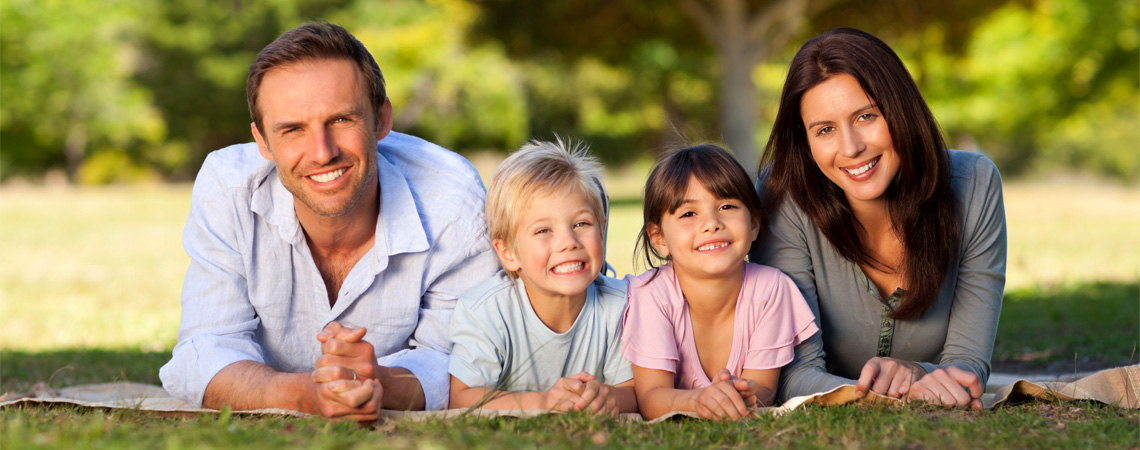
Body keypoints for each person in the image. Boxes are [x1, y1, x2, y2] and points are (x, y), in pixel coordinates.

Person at [159, 22, 499, 421]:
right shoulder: (227, 186)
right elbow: (205, 348)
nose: (322, 153)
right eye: (292, 129)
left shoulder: (453, 199)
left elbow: (464, 360)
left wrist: (383, 384)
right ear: (263, 142)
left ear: (382, 120)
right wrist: (304, 394)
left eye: (340, 120)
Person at [752, 28, 1007, 409]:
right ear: (805, 142)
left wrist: (919, 373)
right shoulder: (782, 195)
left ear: (900, 108)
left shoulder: (975, 184)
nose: (851, 147)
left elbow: (967, 364)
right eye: (825, 130)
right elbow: (790, 372)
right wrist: (880, 395)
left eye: (866, 116)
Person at [621, 144, 819, 420]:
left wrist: (740, 393)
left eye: (726, 206)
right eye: (689, 214)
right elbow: (652, 399)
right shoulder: (650, 294)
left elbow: (764, 389)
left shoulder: (772, 289)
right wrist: (700, 401)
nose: (712, 223)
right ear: (659, 238)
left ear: (753, 225)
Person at [448, 139, 637, 416]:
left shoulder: (623, 305)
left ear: (602, 229)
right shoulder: (485, 311)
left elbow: (634, 392)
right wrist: (543, 402)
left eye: (581, 224)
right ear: (508, 252)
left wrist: (607, 398)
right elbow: (463, 397)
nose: (568, 242)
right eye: (543, 231)